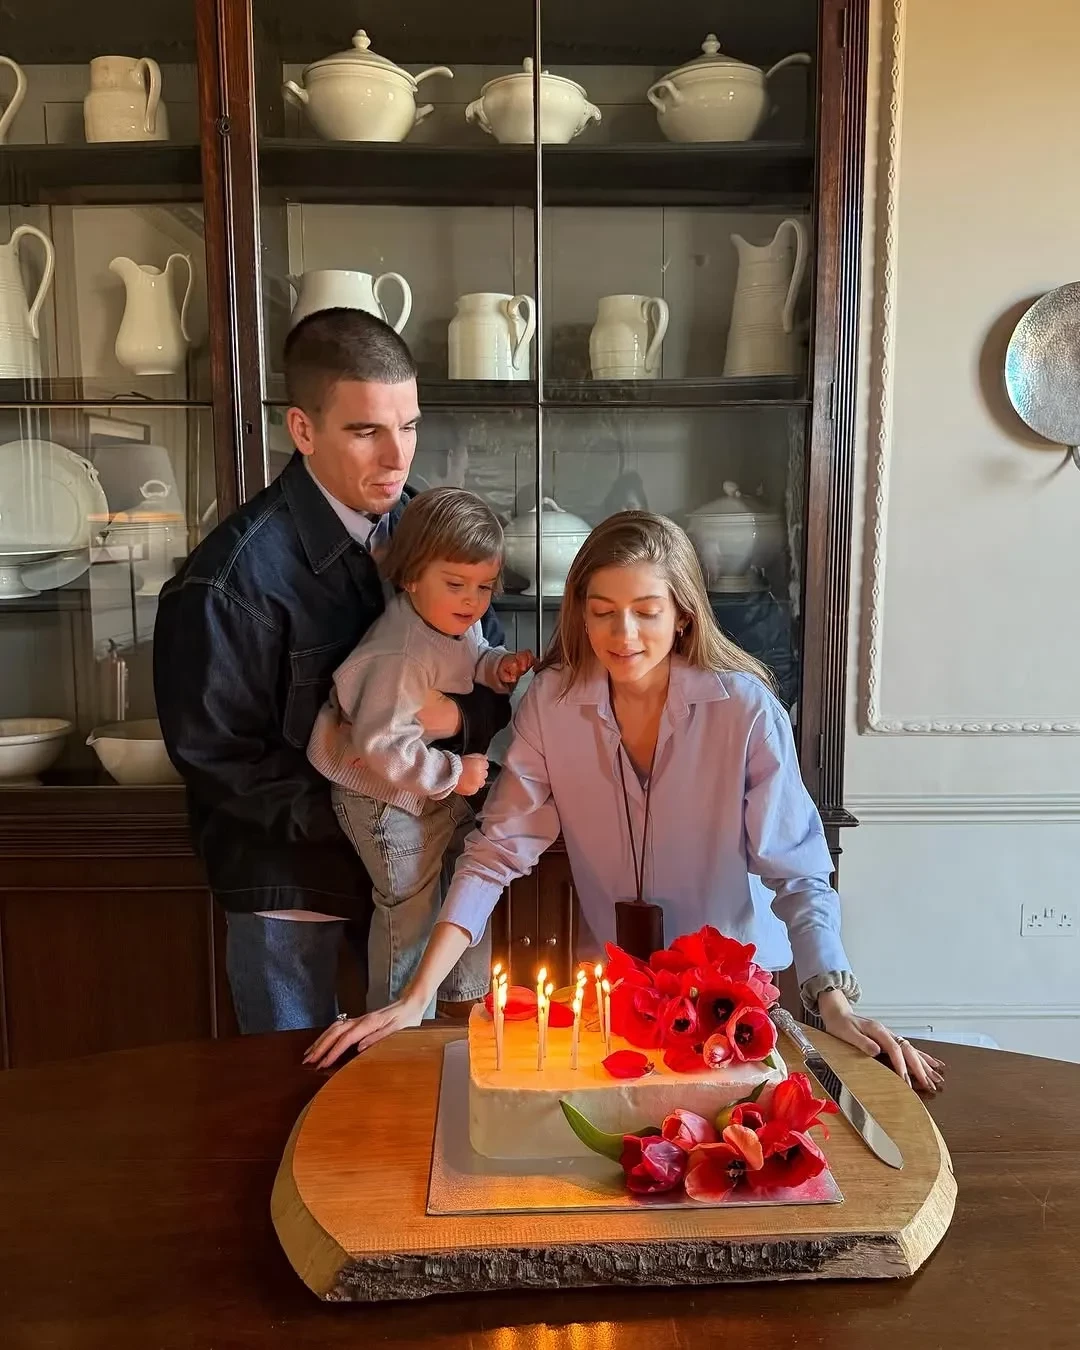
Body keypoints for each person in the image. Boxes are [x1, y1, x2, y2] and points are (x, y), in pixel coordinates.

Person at [304, 511, 946, 1095]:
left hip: (733, 1000)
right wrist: (414, 998)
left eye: (646, 610)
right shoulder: (550, 704)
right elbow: (495, 852)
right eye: (603, 610)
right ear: (581, 613)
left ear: (683, 615)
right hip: (617, 993)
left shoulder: (745, 711)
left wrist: (834, 1002)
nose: (623, 633)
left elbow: (798, 873)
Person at [154, 309, 511, 1034]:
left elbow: (489, 670)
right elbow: (221, 764)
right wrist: (373, 814)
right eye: (366, 430)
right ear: (303, 429)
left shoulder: (425, 525)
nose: (397, 456)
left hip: (419, 855)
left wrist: (460, 718)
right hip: (293, 888)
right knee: (294, 1081)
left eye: (409, 426)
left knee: (424, 1071)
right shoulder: (229, 580)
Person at [307, 486, 534, 1014]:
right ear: (410, 576)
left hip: (416, 783)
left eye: (484, 587)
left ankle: (457, 1007)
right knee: (407, 909)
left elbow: (470, 655)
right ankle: (398, 1025)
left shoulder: (447, 620)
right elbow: (381, 745)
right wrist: (452, 773)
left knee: (462, 882)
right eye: (456, 584)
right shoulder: (400, 655)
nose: (472, 601)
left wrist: (495, 667)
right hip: (379, 795)